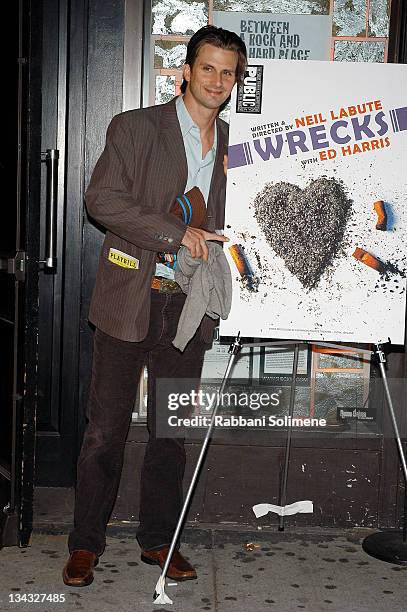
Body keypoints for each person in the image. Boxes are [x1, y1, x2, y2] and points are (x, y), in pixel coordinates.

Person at [63, 25, 247, 587]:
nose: (217, 81)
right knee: (105, 432)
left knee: (170, 432)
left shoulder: (232, 142)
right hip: (129, 300)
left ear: (236, 81)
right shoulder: (136, 127)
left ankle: (159, 543)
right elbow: (101, 200)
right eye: (207, 68)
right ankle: (85, 545)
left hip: (188, 309)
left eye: (228, 72)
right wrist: (175, 234)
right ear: (185, 71)